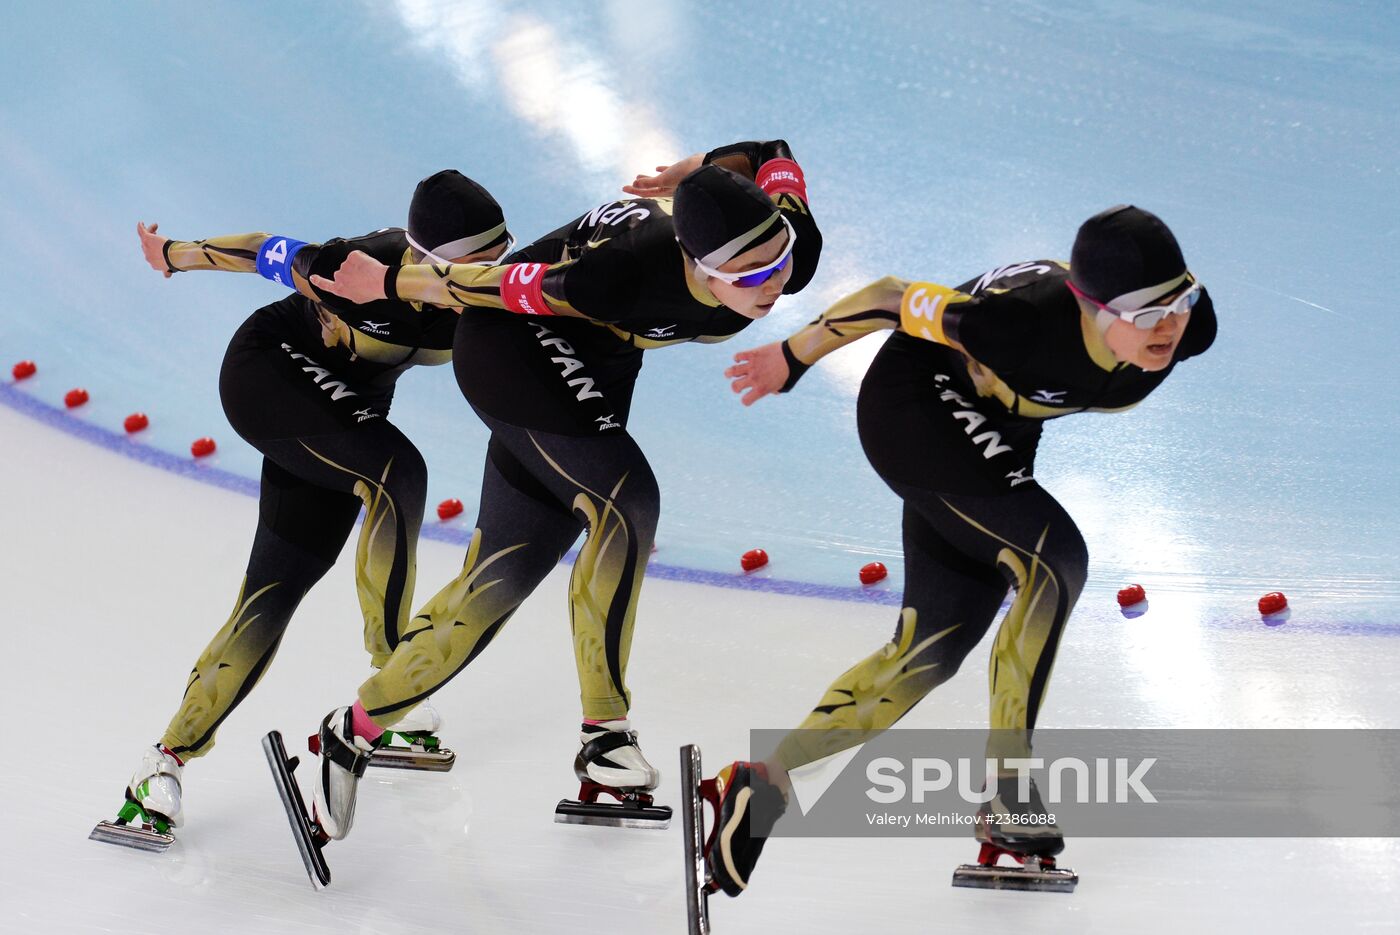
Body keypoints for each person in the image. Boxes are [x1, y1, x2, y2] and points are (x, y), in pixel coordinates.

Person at [296, 140, 821, 853]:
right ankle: (606, 730)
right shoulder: (619, 271)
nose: (772, 283)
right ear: (696, 266)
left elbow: (771, 152)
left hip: (596, 366)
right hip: (512, 342)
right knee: (627, 502)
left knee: (500, 580)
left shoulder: (789, 239)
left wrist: (695, 170)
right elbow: (482, 288)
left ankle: (349, 731)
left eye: (779, 260)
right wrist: (390, 284)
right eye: (750, 272)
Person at [696, 204, 1218, 896]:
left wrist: (1170, 310)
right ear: (1091, 308)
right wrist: (791, 357)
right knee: (1054, 561)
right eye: (1148, 313)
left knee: (930, 653)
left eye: (1178, 301)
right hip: (914, 404)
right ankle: (1008, 785)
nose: (1171, 326)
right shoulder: (1020, 320)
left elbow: (1144, 333)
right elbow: (887, 296)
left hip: (991, 438)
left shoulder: (1190, 327)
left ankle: (761, 782)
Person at [92, 171, 514, 849]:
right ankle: (391, 666)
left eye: (498, 258)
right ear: (431, 259)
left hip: (341, 419)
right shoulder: (358, 266)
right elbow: (263, 249)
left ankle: (160, 765)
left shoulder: (485, 292)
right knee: (398, 471)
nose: (485, 279)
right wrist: (173, 252)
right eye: (474, 266)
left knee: (273, 591)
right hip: (270, 372)